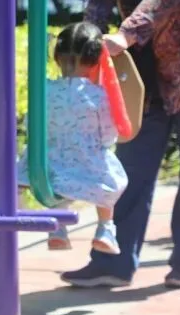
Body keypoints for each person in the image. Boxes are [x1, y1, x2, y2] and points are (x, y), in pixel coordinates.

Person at [65, 0, 180, 289]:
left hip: (170, 60)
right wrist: (88, 35)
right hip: (140, 71)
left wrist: (126, 33)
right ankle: (112, 262)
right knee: (128, 169)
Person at [18, 23, 129, 254]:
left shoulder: (43, 90)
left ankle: (57, 229)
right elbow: (108, 135)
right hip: (87, 168)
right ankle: (105, 228)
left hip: (46, 168)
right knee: (111, 181)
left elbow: (30, 125)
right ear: (97, 60)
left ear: (57, 57)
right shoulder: (98, 95)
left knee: (57, 185)